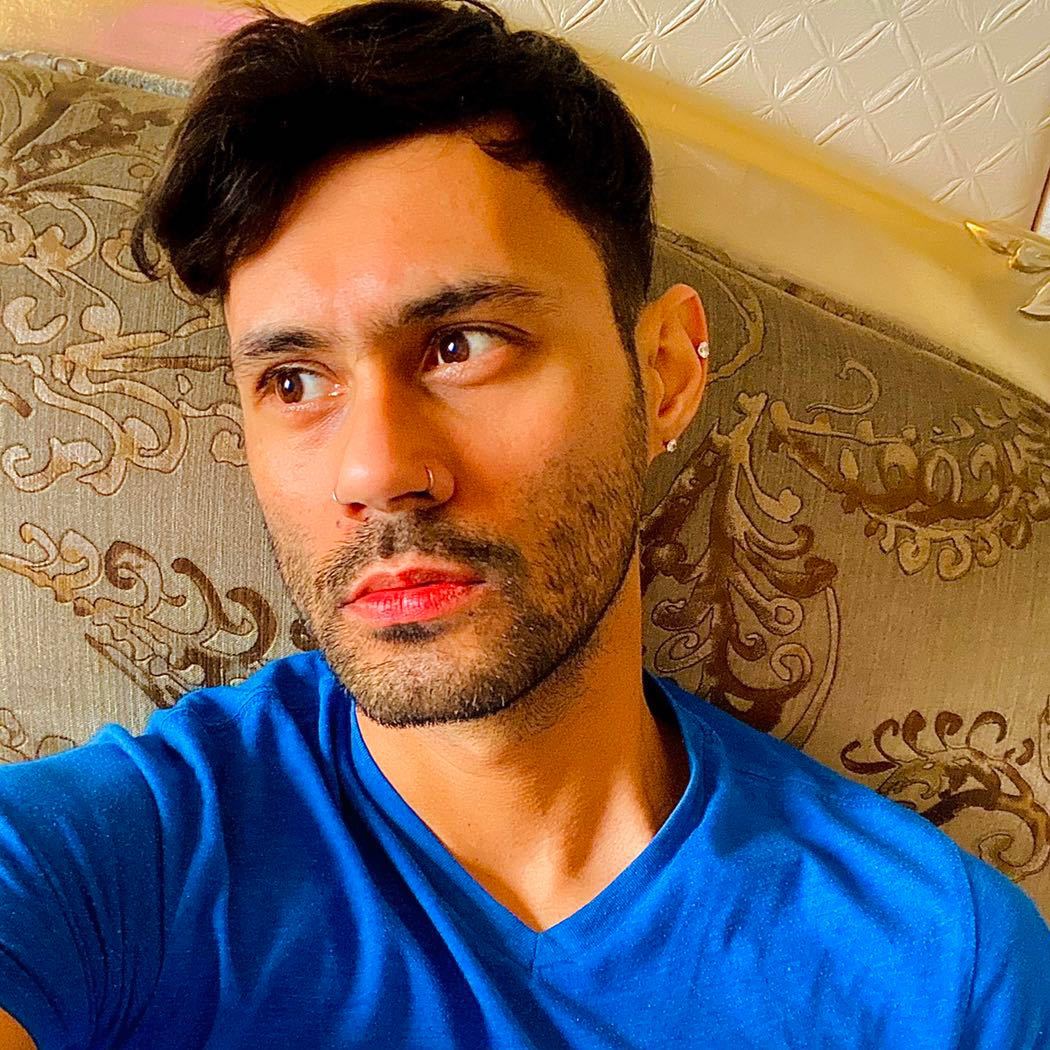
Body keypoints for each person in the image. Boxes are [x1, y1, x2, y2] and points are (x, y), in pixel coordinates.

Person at [0, 0, 1047, 1046]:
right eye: (294, 380)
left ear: (664, 376)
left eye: (462, 345)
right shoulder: (119, 864)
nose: (376, 473)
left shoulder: (940, 972)